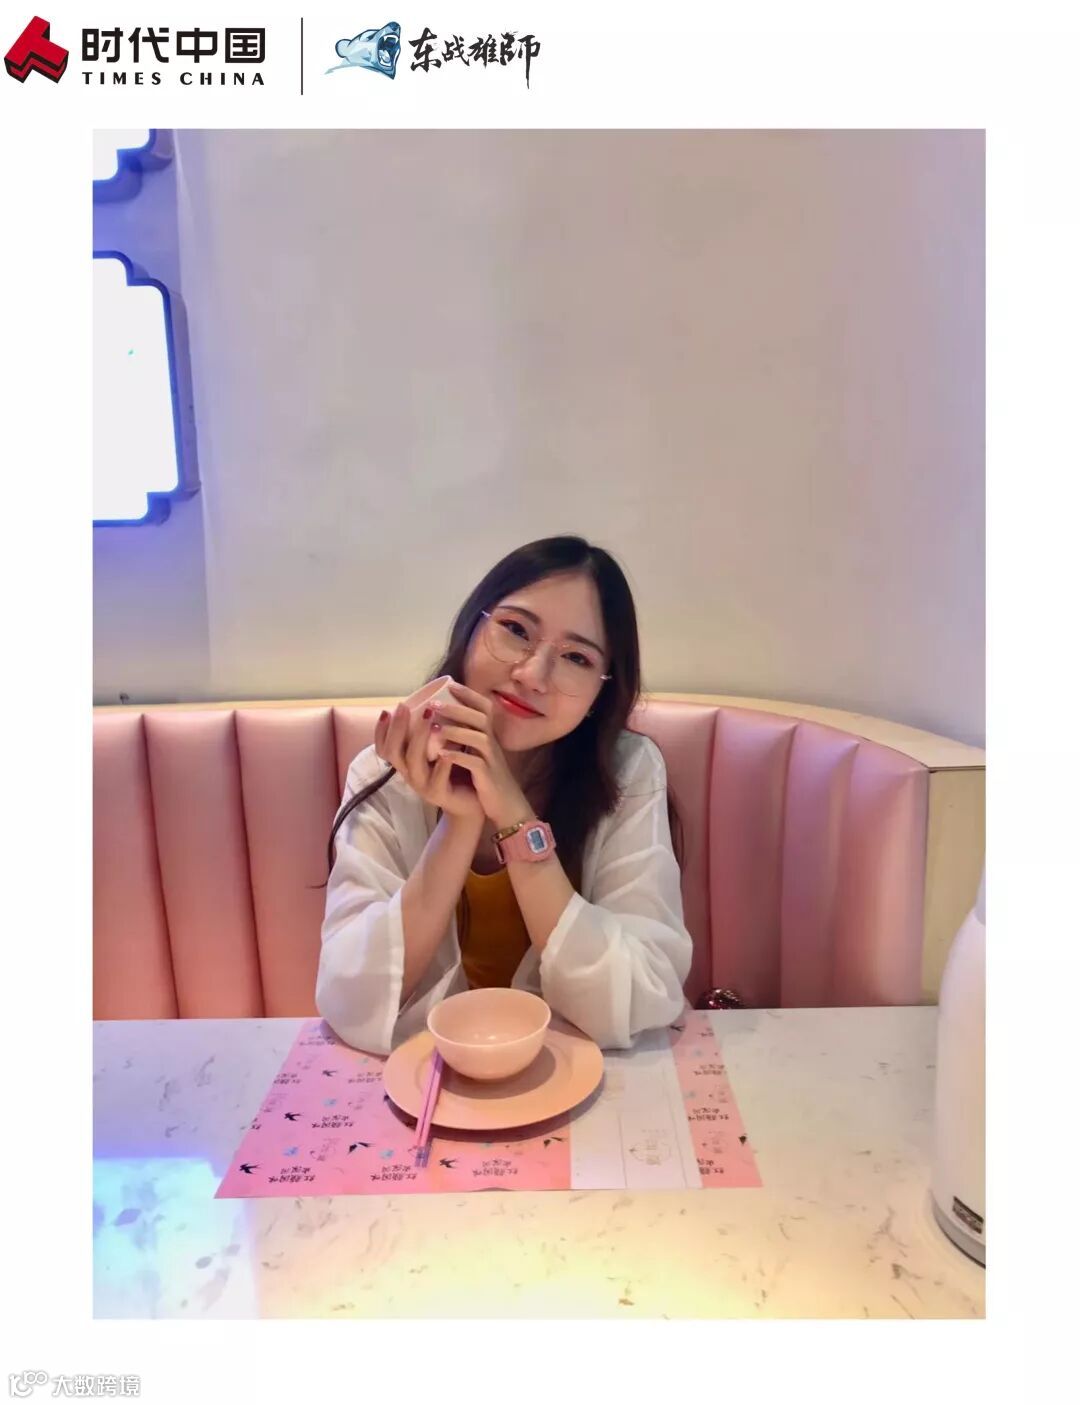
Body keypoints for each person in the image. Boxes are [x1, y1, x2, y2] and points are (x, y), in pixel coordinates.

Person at [316, 535, 693, 1054]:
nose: (532, 675)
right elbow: (351, 999)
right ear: (473, 628)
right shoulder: (387, 772)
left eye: (576, 657)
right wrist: (460, 822)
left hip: (580, 1072)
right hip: (427, 1074)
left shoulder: (628, 771)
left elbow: (642, 994)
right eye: (515, 630)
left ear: (600, 691)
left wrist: (512, 814)